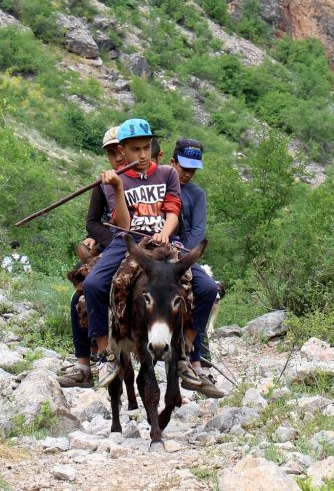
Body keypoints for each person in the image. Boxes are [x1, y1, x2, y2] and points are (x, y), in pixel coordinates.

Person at [84, 118, 219, 392]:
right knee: (93, 284)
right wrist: (118, 188)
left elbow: (173, 211)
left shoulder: (168, 174)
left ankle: (185, 351)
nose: (142, 155)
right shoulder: (115, 179)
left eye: (146, 148)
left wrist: (165, 233)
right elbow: (123, 225)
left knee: (207, 288)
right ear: (122, 151)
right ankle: (105, 354)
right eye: (135, 150)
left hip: (166, 240)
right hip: (129, 242)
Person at [57, 126, 125, 388]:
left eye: (121, 150)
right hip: (114, 246)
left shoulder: (150, 179)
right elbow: (92, 222)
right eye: (111, 153)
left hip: (147, 245)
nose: (118, 157)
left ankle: (192, 362)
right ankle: (84, 364)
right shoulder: (103, 183)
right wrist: (111, 241)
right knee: (80, 295)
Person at [169, 138, 225, 398]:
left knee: (206, 290)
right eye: (184, 168)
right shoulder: (160, 184)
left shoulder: (197, 194)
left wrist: (185, 256)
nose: (188, 174)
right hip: (158, 249)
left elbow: (198, 230)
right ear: (173, 162)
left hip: (185, 254)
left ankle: (196, 358)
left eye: (193, 169)